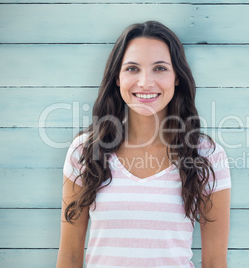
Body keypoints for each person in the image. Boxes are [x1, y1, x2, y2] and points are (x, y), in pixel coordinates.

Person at [56, 21, 231, 268]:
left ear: (177, 77)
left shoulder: (206, 155)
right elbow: (70, 256)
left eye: (159, 68)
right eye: (132, 69)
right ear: (117, 77)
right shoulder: (85, 151)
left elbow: (214, 262)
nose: (145, 82)